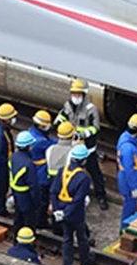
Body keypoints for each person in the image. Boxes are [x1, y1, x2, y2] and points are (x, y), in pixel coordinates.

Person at [56, 79, 109, 210]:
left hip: (87, 149)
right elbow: (62, 116)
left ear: (84, 95)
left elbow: (95, 128)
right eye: (73, 93)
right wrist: (58, 122)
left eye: (78, 94)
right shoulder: (67, 105)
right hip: (71, 147)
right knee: (69, 171)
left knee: (94, 172)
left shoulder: (91, 109)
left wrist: (83, 134)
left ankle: (101, 196)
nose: (75, 96)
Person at [52, 145, 95, 265]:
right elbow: (78, 200)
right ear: (83, 161)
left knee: (67, 238)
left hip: (61, 209)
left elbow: (53, 191)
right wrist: (66, 213)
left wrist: (57, 211)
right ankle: (85, 263)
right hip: (75, 213)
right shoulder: (84, 178)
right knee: (82, 238)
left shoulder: (62, 171)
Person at [116, 114, 137, 228]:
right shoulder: (128, 148)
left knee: (130, 206)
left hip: (127, 181)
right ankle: (124, 229)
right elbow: (129, 170)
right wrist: (134, 187)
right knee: (129, 208)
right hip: (129, 184)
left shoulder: (124, 138)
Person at [0, 103, 18, 217]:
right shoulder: (0, 135)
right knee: (1, 189)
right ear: (6, 119)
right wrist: (9, 165)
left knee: (2, 189)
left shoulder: (1, 128)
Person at [43, 122, 77, 218]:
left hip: (51, 180)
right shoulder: (72, 151)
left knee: (54, 202)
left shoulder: (50, 149)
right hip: (64, 181)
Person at [7, 132, 39, 229]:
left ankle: (17, 240)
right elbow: (34, 186)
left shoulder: (13, 157)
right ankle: (27, 242)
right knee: (29, 222)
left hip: (15, 193)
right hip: (26, 196)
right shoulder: (29, 164)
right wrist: (37, 202)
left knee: (18, 219)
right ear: (28, 146)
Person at [26, 110, 56, 182]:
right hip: (40, 169)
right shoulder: (41, 141)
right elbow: (54, 144)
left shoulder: (31, 131)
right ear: (40, 126)